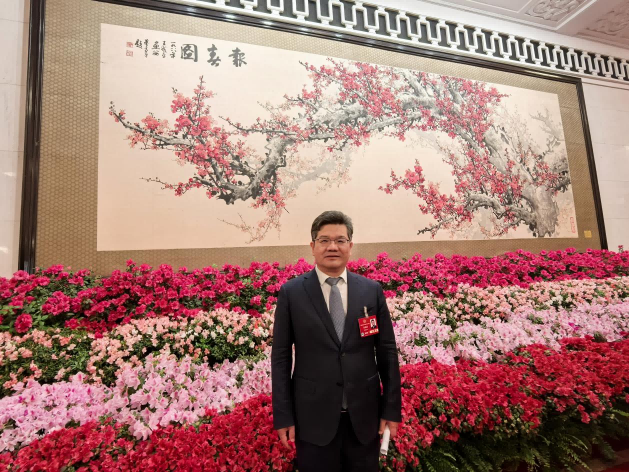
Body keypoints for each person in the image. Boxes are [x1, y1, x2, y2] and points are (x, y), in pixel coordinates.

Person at [271, 210, 402, 472]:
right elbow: (281, 357)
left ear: (350, 246)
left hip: (364, 418)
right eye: (324, 240)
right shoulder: (292, 293)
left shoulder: (371, 291)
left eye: (340, 240)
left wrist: (391, 409)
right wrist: (283, 415)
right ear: (313, 246)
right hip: (313, 419)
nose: (333, 247)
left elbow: (387, 352)